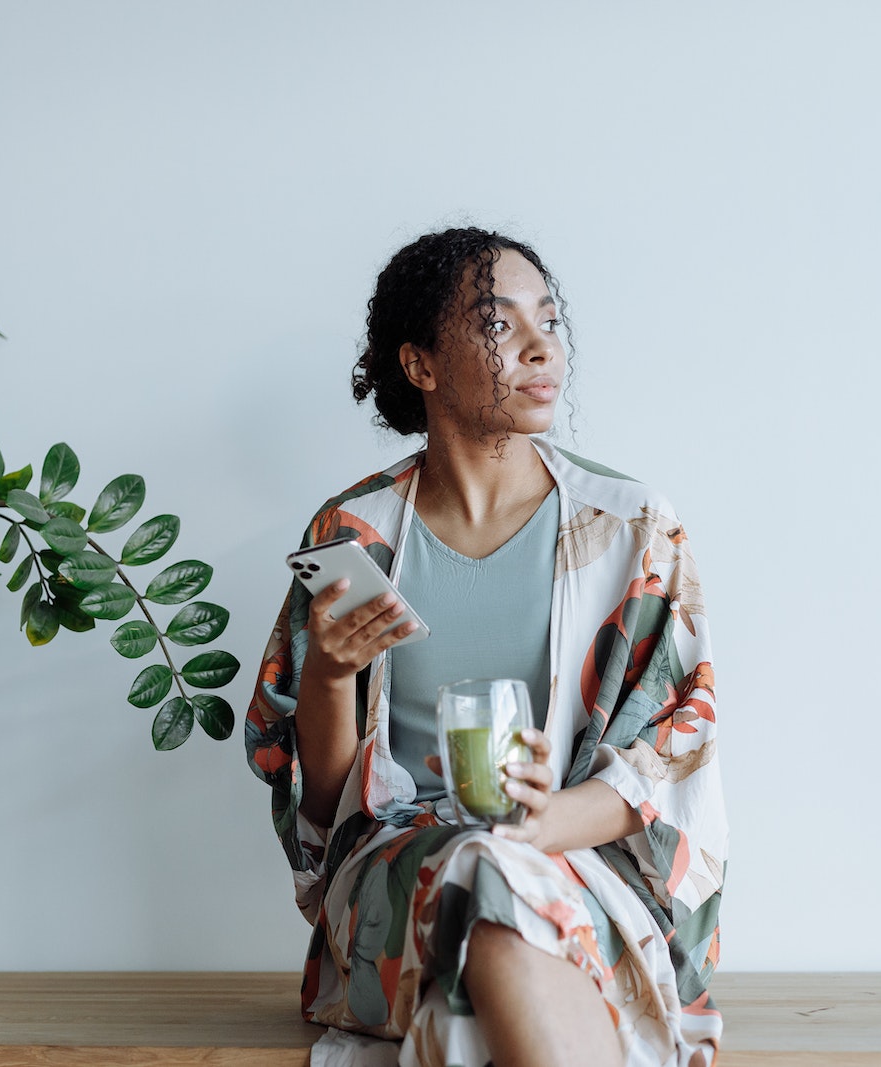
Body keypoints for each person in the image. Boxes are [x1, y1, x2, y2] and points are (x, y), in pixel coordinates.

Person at [244, 228, 728, 1067]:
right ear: (422, 365)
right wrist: (326, 673)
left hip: (580, 870)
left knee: (491, 904)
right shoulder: (352, 536)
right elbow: (323, 814)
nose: (544, 345)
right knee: (483, 869)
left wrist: (543, 822)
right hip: (396, 888)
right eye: (500, 324)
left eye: (549, 316)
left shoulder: (632, 531)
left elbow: (674, 755)